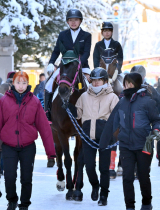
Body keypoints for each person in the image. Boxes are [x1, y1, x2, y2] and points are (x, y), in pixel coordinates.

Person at [103, 72, 160, 210]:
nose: (124, 86)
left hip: (144, 145)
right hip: (125, 146)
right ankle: (130, 206)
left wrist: (153, 137)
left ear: (132, 84)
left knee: (143, 177)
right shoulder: (122, 102)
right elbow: (112, 123)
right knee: (127, 178)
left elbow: (157, 121)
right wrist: (102, 142)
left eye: (127, 83)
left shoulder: (147, 101)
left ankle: (146, 203)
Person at [0, 71, 56, 210]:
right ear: (13, 83)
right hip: (8, 145)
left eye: (24, 83)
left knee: (26, 178)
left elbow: (44, 127)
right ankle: (12, 200)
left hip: (28, 147)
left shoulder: (34, 102)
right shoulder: (3, 101)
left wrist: (51, 152)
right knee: (10, 177)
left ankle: (24, 204)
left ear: (27, 84)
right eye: (18, 83)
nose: (21, 86)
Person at [68, 67, 119, 206]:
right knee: (89, 165)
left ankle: (103, 195)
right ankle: (95, 185)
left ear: (105, 81)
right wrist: (69, 106)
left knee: (104, 168)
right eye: (94, 81)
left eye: (99, 81)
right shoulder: (84, 96)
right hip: (87, 137)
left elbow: (117, 117)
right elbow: (78, 114)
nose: (96, 84)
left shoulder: (112, 97)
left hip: (105, 138)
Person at [45, 8, 92, 121]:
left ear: (80, 21)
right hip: (65, 66)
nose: (73, 22)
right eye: (71, 20)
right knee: (48, 84)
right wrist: (51, 62)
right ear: (67, 21)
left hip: (82, 65)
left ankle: (92, 113)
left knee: (92, 87)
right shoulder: (62, 35)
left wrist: (79, 62)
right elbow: (56, 50)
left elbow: (86, 52)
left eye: (76, 20)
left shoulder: (86, 35)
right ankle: (47, 111)